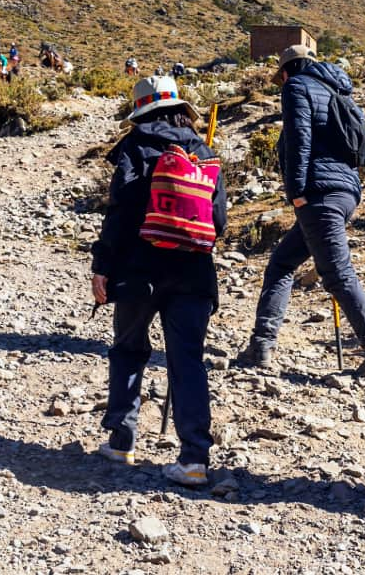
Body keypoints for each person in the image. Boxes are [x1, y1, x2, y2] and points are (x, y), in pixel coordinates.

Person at [89, 74, 227, 487]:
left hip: (138, 271)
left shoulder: (135, 147)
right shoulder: (205, 153)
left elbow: (121, 213)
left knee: (129, 350)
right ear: (181, 108)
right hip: (193, 273)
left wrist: (102, 266)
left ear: (141, 109)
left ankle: (122, 441)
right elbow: (217, 223)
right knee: (187, 361)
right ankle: (194, 459)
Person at [235, 44, 365, 375]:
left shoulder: (296, 86)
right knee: (281, 263)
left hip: (318, 195)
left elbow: (298, 139)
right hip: (347, 192)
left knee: (336, 273)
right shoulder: (341, 92)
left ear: (286, 71)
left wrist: (296, 192)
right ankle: (261, 345)